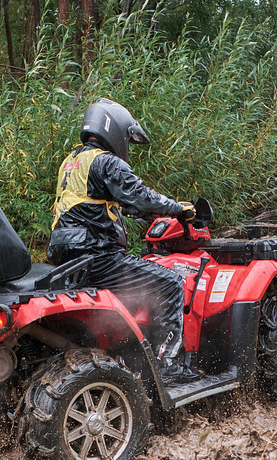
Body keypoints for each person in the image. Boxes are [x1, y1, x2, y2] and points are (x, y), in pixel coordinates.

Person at [48, 98, 199, 384]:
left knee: (146, 279)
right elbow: (141, 196)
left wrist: (146, 215)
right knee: (169, 284)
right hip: (99, 257)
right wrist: (179, 209)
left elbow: (112, 205)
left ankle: (132, 352)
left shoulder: (73, 161)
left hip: (69, 258)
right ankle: (167, 365)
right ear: (113, 129)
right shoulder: (106, 161)